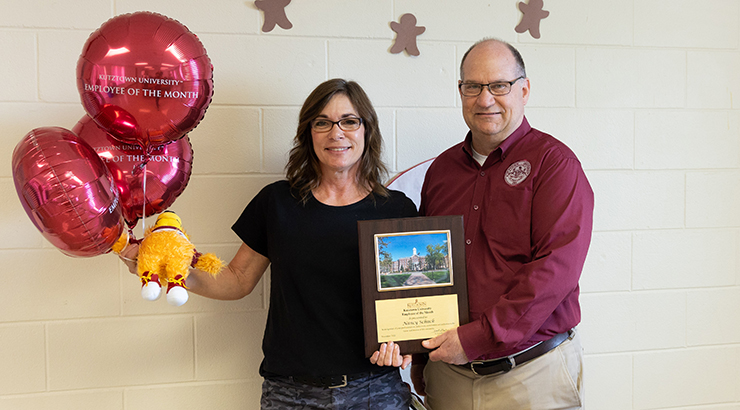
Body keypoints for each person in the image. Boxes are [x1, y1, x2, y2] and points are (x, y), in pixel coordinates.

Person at [120, 79, 418, 409]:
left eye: (349, 121)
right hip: (291, 394)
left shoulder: (397, 210)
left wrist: (408, 343)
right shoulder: (277, 203)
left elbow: (415, 300)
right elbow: (236, 280)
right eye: (322, 122)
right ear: (309, 133)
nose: (336, 133)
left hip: (375, 391)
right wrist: (172, 270)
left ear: (367, 130)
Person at [411, 38, 594, 409]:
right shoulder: (442, 172)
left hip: (532, 376)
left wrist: (479, 337)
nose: (485, 98)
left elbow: (554, 270)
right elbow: (431, 269)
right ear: (460, 92)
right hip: (449, 378)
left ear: (524, 90)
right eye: (473, 86)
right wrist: (417, 351)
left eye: (499, 85)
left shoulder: (554, 165)